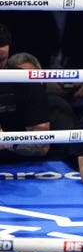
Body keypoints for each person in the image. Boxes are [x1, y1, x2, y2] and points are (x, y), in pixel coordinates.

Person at [7, 51, 77, 161]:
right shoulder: (6, 106)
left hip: (50, 167)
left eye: (31, 80)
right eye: (20, 82)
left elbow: (51, 149)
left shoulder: (56, 106)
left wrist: (9, 143)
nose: (28, 87)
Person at [0, 23, 51, 163]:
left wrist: (10, 142)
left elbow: (42, 145)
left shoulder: (25, 82)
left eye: (2, 60)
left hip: (17, 165)